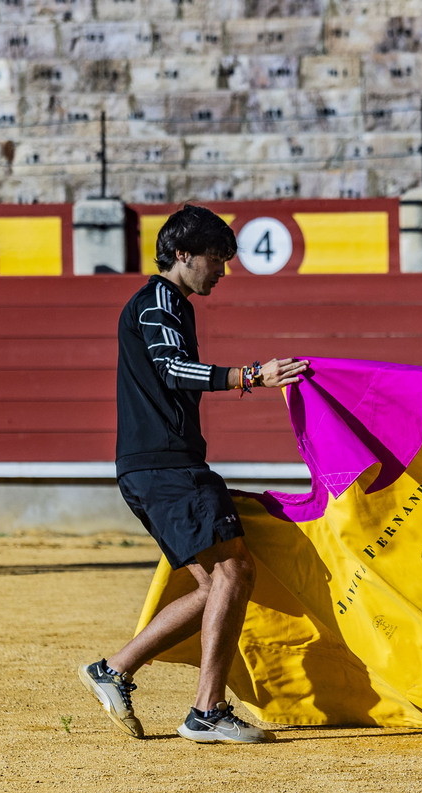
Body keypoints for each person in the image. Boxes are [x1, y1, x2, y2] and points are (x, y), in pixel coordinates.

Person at [78, 205, 309, 744]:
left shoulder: (168, 303)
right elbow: (172, 369)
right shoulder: (160, 301)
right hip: (165, 465)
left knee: (216, 585)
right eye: (215, 259)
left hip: (157, 464)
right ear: (182, 255)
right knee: (236, 573)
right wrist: (254, 375)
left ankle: (114, 670)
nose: (222, 271)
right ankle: (207, 711)